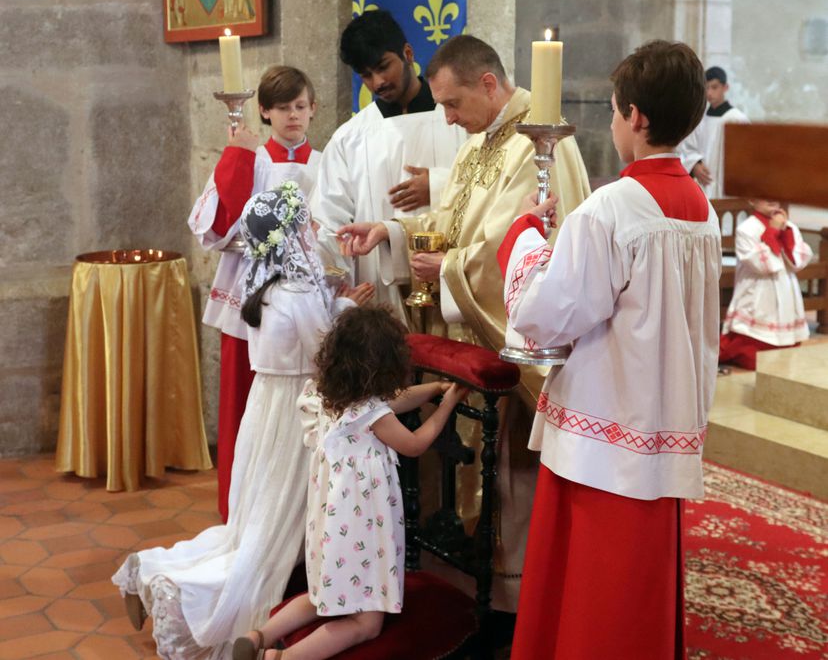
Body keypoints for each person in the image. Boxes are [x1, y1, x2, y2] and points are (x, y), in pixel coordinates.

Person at [337, 34, 591, 610]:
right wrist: (395, 234)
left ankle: (510, 595)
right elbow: (453, 218)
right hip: (464, 328)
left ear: (488, 84)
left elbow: (518, 243)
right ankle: (454, 572)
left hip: (504, 336)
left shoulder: (538, 144)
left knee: (507, 467)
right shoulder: (482, 141)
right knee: (459, 459)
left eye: (452, 104)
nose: (447, 120)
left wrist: (449, 266)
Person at [502, 40, 720, 658]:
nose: (613, 122)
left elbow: (546, 315)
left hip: (605, 435)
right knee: (635, 592)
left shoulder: (612, 208)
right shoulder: (701, 210)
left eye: (614, 111)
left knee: (592, 596)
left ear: (637, 119)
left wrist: (524, 238)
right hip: (664, 423)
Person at [114, 184, 374, 660]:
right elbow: (325, 353)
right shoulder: (297, 291)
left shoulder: (262, 285)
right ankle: (180, 592)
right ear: (289, 236)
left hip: (265, 408)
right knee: (270, 530)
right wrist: (350, 306)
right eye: (305, 225)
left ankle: (151, 570)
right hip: (297, 411)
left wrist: (332, 301)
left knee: (253, 520)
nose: (313, 231)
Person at [233, 306, 469, 660]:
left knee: (320, 597)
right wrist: (446, 403)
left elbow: (396, 399)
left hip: (331, 521)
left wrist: (433, 387)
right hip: (361, 526)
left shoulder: (330, 397)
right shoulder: (373, 415)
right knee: (365, 623)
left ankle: (257, 636)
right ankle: (281, 658)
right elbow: (416, 443)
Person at [188, 65, 322, 522]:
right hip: (251, 303)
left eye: (300, 106)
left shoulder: (325, 164)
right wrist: (238, 158)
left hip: (304, 307)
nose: (293, 117)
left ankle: (297, 525)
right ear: (263, 111)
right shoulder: (252, 156)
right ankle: (243, 516)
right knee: (245, 413)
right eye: (283, 108)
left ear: (313, 109)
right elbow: (217, 227)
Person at [310, 10, 466, 321]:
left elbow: (488, 182)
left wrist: (436, 186)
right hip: (381, 292)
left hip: (451, 282)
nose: (378, 82)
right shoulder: (350, 138)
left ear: (407, 54)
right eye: (366, 75)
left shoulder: (457, 118)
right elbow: (328, 221)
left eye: (383, 67)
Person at [719, 199, 812, 370]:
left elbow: (798, 261)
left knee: (786, 356)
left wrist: (785, 232)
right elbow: (762, 265)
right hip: (758, 288)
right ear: (752, 200)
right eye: (763, 195)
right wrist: (773, 231)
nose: (771, 199)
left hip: (785, 285)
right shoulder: (746, 229)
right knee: (752, 351)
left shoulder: (788, 225)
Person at [700, 65, 749, 198]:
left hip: (727, 186)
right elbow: (689, 149)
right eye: (706, 87)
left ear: (725, 87)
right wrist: (695, 165)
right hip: (703, 183)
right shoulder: (700, 119)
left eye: (714, 87)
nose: (709, 92)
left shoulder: (737, 118)